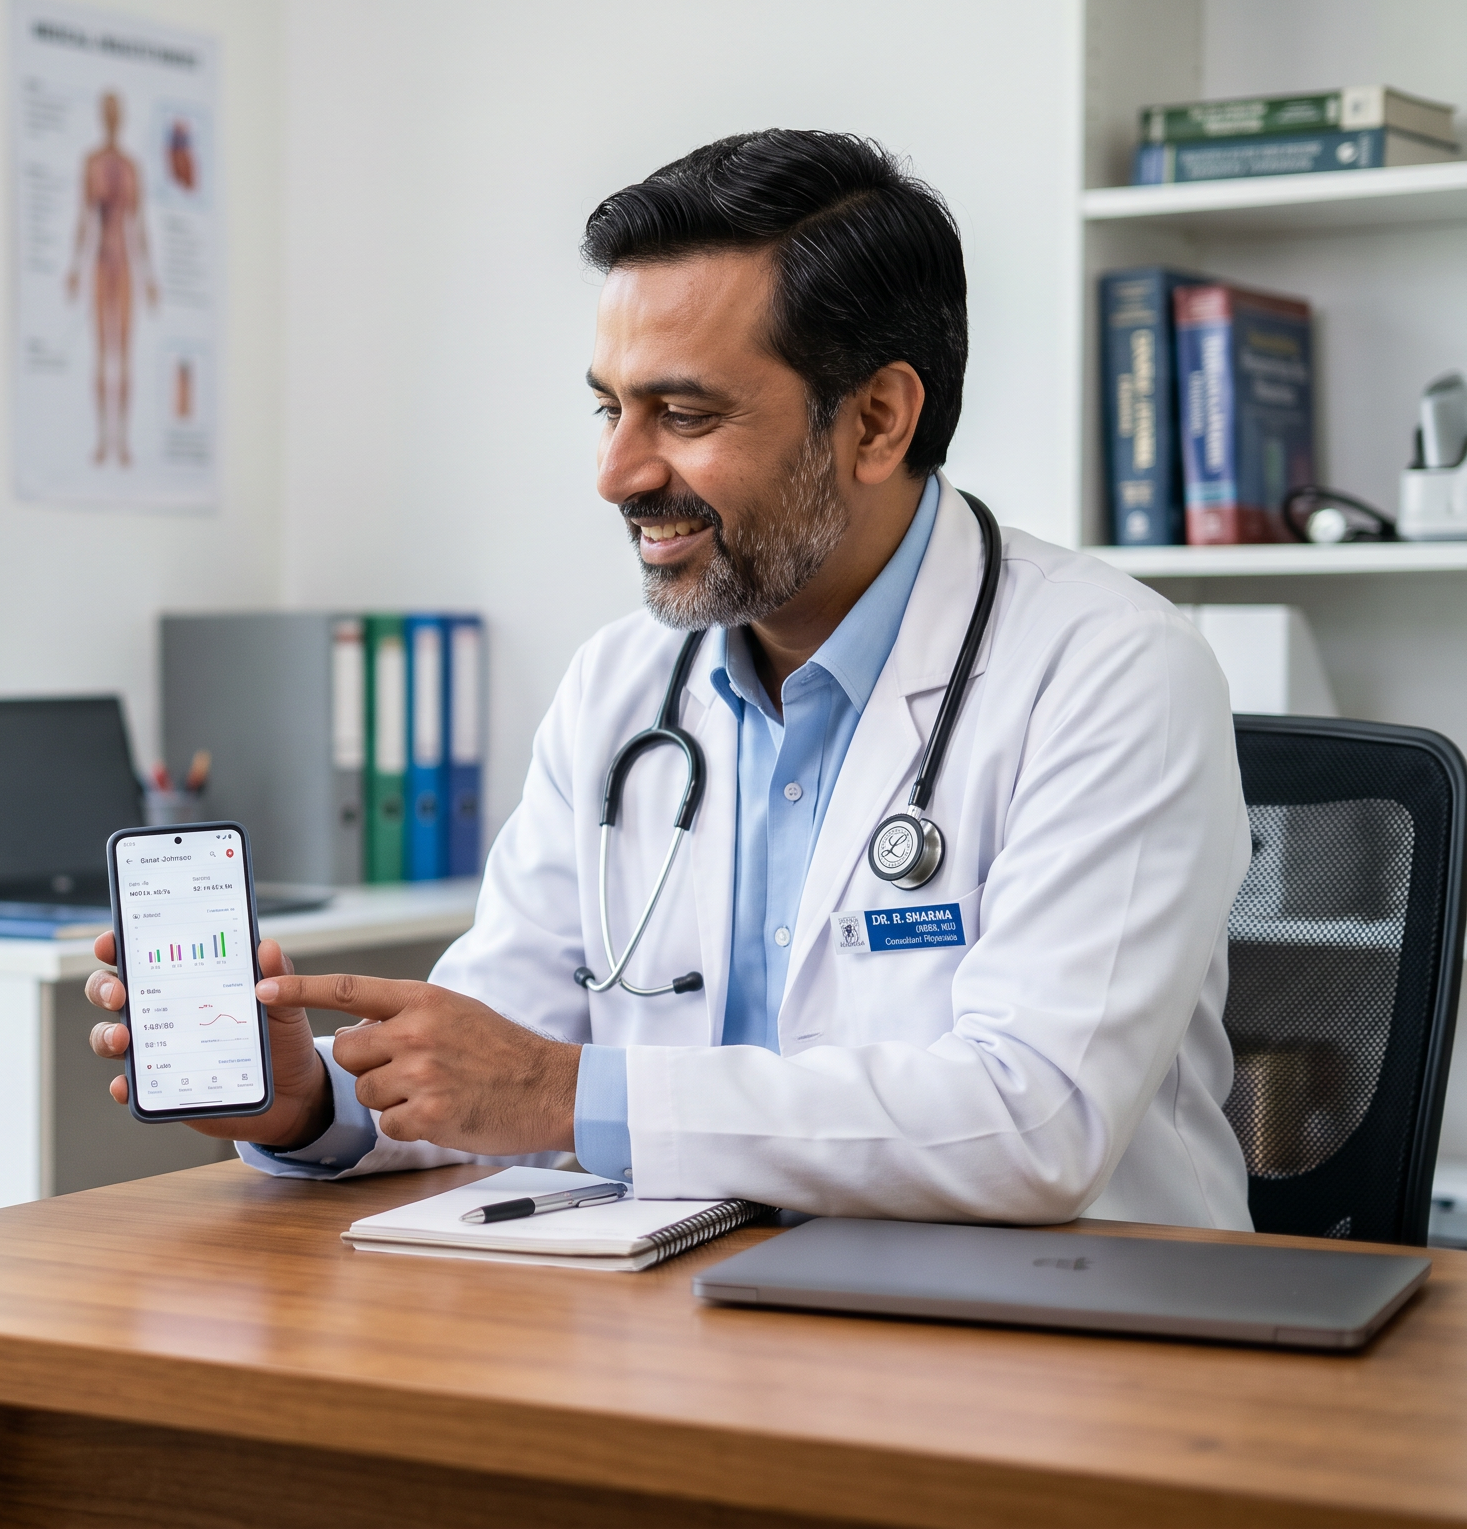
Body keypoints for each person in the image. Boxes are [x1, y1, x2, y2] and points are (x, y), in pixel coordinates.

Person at [85, 130, 1255, 1229]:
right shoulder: (622, 687)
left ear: (878, 420)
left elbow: (1031, 1121)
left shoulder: (1110, 673)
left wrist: (565, 1094)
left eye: (682, 413)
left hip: (1065, 1348)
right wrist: (310, 1101)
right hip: (695, 1323)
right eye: (608, 406)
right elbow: (499, 1055)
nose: (615, 472)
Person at [65, 88, 160, 467]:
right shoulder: (91, 163)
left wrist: (150, 276)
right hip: (101, 265)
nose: (111, 117)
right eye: (106, 110)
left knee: (126, 354)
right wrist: (74, 267)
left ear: (122, 117)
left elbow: (140, 226)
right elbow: (84, 219)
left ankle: (123, 441)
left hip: (126, 266)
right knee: (102, 353)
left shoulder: (132, 167)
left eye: (116, 110)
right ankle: (103, 439)